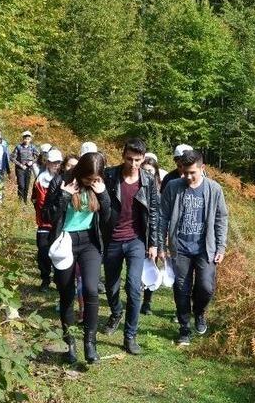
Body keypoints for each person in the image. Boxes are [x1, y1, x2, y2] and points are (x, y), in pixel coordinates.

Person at [160, 150, 229, 346]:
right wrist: (160, 244)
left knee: (206, 287)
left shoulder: (214, 189)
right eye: (184, 172)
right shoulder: (173, 187)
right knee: (181, 288)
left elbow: (221, 218)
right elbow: (163, 216)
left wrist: (221, 246)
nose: (187, 176)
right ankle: (184, 328)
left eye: (192, 172)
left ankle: (199, 312)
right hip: (180, 247)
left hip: (205, 248)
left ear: (202, 168)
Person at [48, 151, 111, 364]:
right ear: (80, 171)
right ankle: (70, 343)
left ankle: (89, 344)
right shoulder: (61, 180)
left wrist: (103, 195)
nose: (91, 182)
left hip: (89, 242)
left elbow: (108, 218)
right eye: (88, 179)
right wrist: (64, 196)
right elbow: (47, 215)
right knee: (66, 295)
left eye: (95, 178)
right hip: (64, 241)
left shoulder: (99, 183)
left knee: (92, 290)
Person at [101, 138, 162, 355]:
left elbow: (154, 212)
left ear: (143, 158)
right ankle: (116, 312)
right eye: (129, 159)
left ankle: (130, 335)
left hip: (136, 240)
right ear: (123, 155)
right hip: (112, 239)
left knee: (134, 286)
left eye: (137, 160)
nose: (133, 164)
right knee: (111, 285)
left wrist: (154, 243)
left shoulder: (148, 180)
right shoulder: (109, 176)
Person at [32, 149, 63, 290]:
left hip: (60, 223)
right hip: (44, 222)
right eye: (53, 162)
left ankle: (59, 280)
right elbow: (36, 200)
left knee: (59, 252)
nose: (56, 165)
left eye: (58, 162)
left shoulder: (65, 179)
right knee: (43, 252)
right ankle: (45, 279)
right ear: (48, 163)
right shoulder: (40, 179)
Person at [140, 154, 164, 315]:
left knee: (151, 267)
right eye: (145, 170)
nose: (147, 173)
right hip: (136, 233)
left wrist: (159, 242)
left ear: (155, 173)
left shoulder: (159, 192)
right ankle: (134, 297)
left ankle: (147, 302)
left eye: (150, 171)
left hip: (153, 235)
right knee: (134, 269)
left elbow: (161, 218)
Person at [11, 130, 39, 204]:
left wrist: (32, 162)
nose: (26, 140)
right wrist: (20, 164)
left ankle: (25, 201)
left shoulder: (33, 147)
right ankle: (20, 200)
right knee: (21, 185)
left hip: (28, 168)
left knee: (26, 185)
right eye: (25, 138)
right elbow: (12, 157)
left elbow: (39, 157)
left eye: (28, 139)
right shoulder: (18, 147)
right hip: (20, 169)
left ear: (30, 139)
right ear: (23, 139)